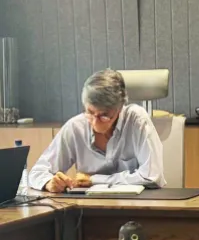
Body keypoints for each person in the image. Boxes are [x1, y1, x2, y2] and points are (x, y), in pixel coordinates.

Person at [29, 69, 166, 193]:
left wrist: (94, 179)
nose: (95, 122)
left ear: (119, 108)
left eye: (104, 115)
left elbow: (152, 176)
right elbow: (37, 172)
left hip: (135, 204)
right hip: (88, 206)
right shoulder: (76, 127)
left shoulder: (136, 120)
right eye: (90, 112)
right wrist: (48, 182)